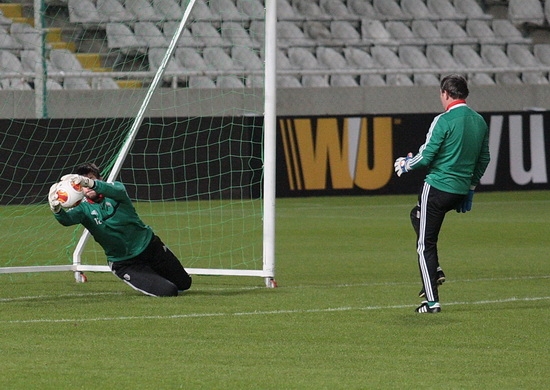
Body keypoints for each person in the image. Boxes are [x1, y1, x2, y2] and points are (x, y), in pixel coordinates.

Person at [394, 74, 490, 313]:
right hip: (458, 191)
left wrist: (406, 164)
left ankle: (432, 302)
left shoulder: (443, 120)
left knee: (424, 244)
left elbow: (426, 155)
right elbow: (484, 158)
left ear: (446, 93)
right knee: (416, 216)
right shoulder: (479, 121)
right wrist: (469, 189)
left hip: (436, 188)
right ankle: (435, 269)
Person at [48, 162, 192, 297]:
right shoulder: (83, 209)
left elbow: (115, 189)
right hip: (125, 263)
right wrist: (56, 209)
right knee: (169, 291)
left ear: (99, 179)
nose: (87, 186)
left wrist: (90, 183)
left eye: (90, 179)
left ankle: (153, 274)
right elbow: (66, 220)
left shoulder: (116, 192)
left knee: (185, 284)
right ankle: (146, 278)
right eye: (82, 184)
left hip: (150, 248)